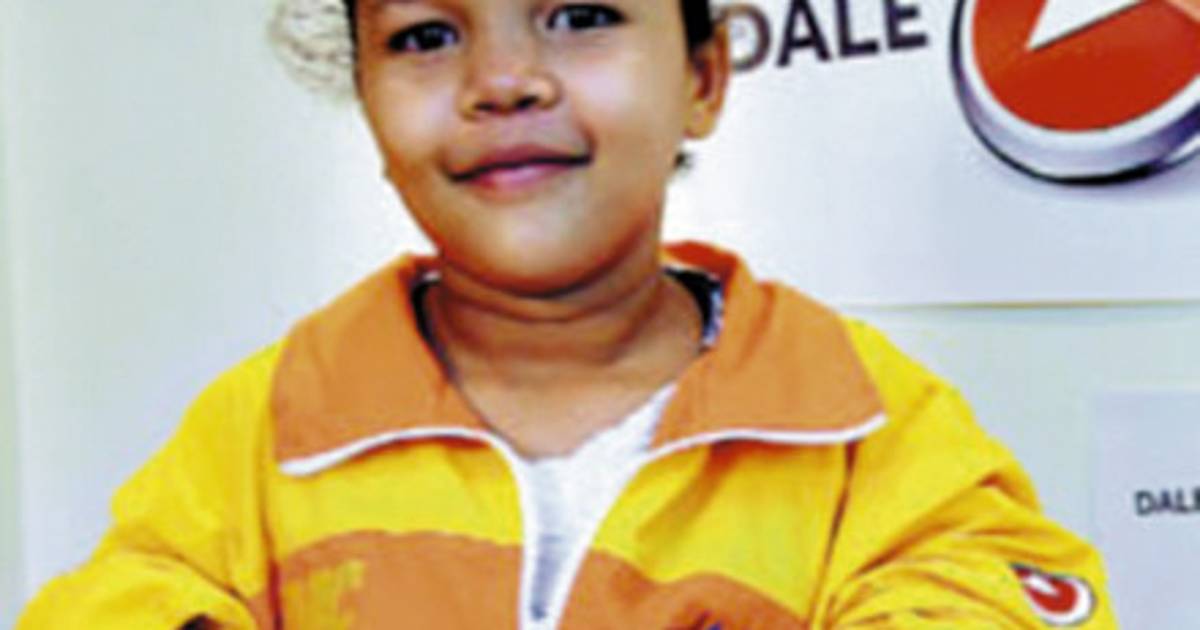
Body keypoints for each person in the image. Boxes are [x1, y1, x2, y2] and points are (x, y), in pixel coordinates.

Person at [19, 0, 1116, 627]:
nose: (503, 81)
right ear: (365, 96)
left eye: (580, 16)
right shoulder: (271, 427)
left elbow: (989, 594)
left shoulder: (859, 425)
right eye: (425, 36)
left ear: (703, 78)